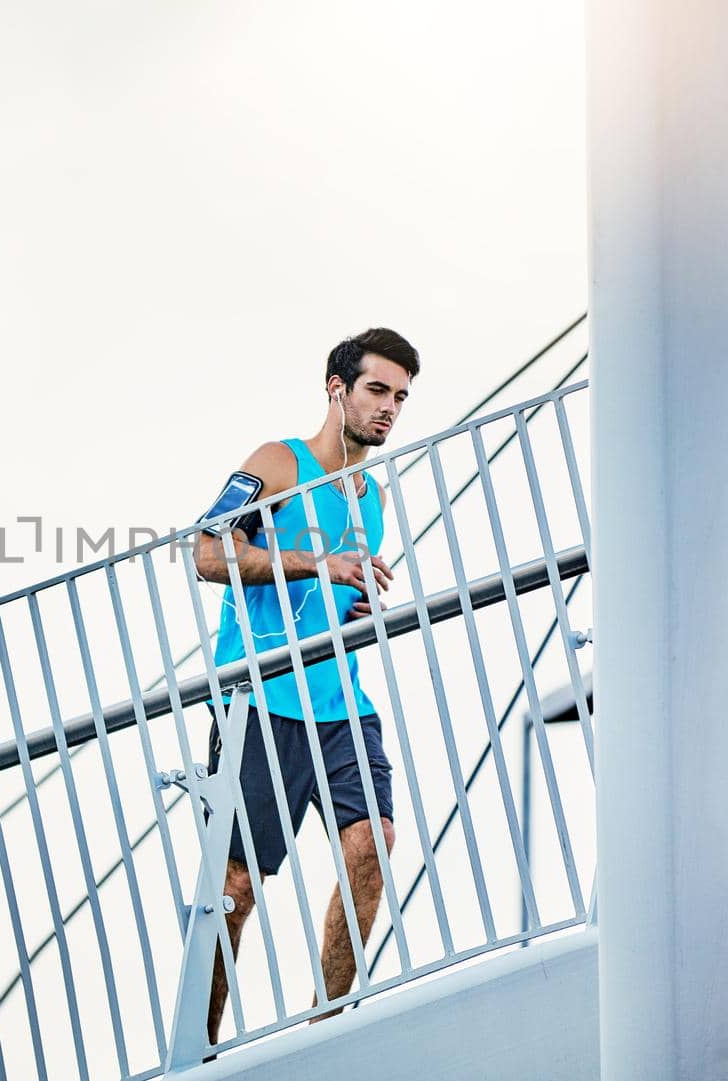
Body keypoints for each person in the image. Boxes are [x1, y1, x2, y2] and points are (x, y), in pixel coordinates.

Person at [191, 327, 418, 1041]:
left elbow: (331, 595)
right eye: (377, 390)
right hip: (258, 701)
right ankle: (198, 1051)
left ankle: (320, 1033)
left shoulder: (371, 496)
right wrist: (314, 563)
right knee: (233, 891)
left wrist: (354, 600)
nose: (389, 408)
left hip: (339, 702)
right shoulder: (279, 464)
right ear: (337, 388)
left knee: (371, 849)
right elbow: (205, 549)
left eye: (401, 398)